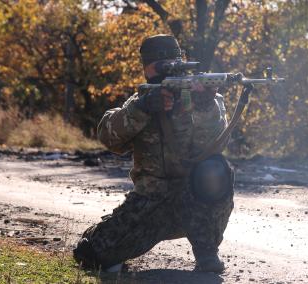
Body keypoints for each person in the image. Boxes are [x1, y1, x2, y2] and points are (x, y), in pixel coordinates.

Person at [73, 34, 234, 273]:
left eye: (173, 64)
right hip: (150, 205)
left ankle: (207, 251)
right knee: (92, 255)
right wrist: (143, 108)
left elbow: (216, 142)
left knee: (216, 169)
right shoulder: (140, 101)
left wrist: (204, 105)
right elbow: (109, 137)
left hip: (194, 202)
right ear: (146, 70)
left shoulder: (204, 98)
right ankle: (99, 235)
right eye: (159, 67)